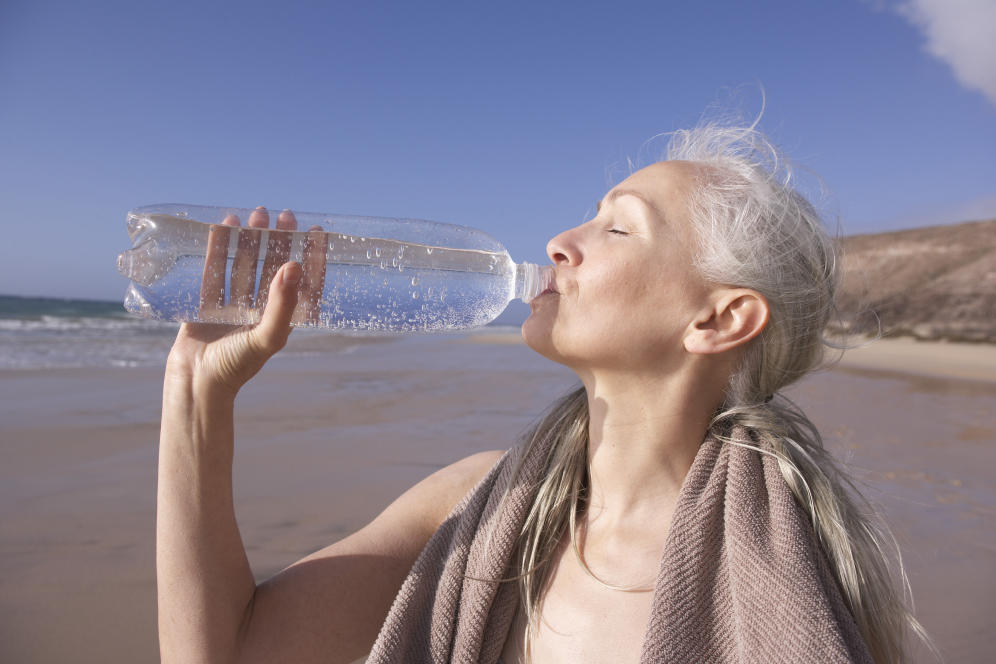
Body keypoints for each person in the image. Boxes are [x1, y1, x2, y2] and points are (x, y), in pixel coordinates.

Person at [156, 122, 925, 663]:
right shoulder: (473, 500)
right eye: (590, 215)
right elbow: (228, 652)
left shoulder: (779, 597)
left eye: (618, 230)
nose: (562, 242)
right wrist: (195, 394)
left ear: (719, 318)